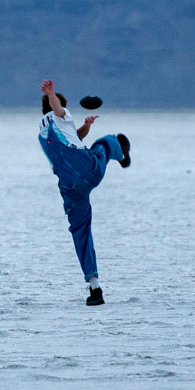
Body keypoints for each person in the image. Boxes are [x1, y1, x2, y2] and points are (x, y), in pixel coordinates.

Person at [38, 79, 130, 305]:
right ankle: (122, 154)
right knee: (105, 143)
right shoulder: (59, 114)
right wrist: (52, 93)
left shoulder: (43, 132)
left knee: (81, 232)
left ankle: (95, 288)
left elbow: (74, 137)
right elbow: (57, 110)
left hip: (70, 186)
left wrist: (86, 125)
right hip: (87, 168)